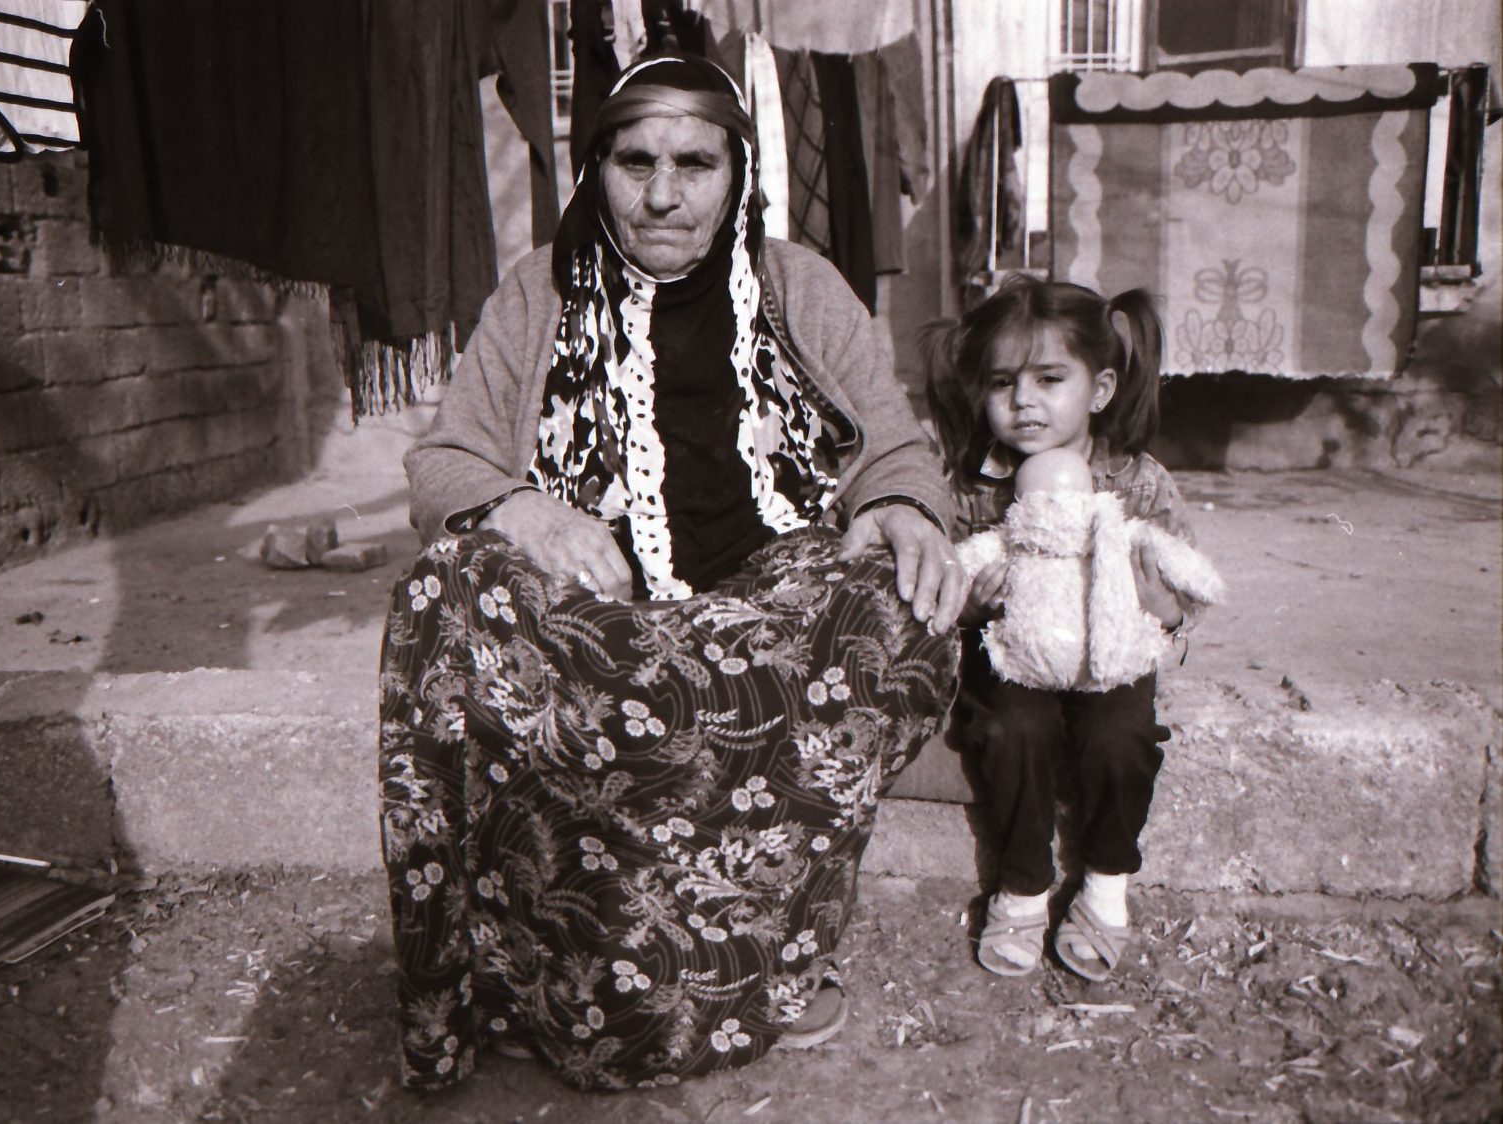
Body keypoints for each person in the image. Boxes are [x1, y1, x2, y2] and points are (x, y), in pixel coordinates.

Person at [380, 54, 964, 1091]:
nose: (662, 193)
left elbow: (895, 445)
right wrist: (527, 509)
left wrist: (899, 504)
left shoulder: (797, 284)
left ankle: (771, 958)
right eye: (635, 159)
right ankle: (522, 971)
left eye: (694, 162)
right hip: (596, 626)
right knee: (443, 590)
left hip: (771, 612)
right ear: (593, 167)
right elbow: (442, 462)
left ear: (738, 172)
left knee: (892, 605)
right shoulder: (537, 290)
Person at [926, 275, 1194, 982]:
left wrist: (1156, 603)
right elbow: (948, 578)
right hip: (1016, 656)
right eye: (1003, 382)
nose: (1024, 402)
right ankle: (1022, 885)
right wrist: (972, 601)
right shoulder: (971, 483)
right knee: (1013, 732)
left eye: (1050, 379)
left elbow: (1180, 591)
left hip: (1109, 655)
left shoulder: (1137, 481)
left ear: (1100, 389)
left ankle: (1107, 883)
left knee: (1121, 739)